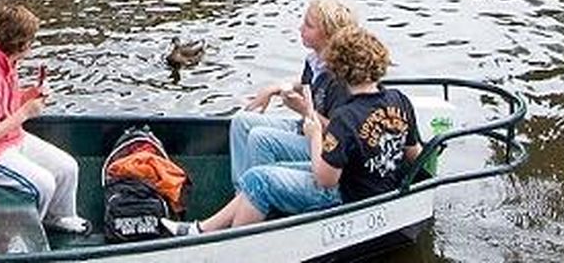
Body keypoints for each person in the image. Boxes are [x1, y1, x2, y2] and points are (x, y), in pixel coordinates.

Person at [162, 26, 421, 235]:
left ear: (339, 71)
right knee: (256, 176)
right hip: (373, 186)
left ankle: (230, 247)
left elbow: (325, 180)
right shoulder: (399, 100)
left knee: (258, 181)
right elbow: (414, 153)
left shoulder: (345, 117)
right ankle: (200, 231)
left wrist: (315, 134)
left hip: (349, 196)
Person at [0, 2, 89, 234]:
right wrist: (27, 112)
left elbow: (5, 104)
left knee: (68, 168)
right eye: (31, 42)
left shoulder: (6, 63)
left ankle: (59, 218)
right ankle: (27, 233)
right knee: (44, 184)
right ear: (21, 44)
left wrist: (29, 95)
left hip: (10, 138)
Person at [228, 0, 356, 187]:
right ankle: (241, 194)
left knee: (260, 138)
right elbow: (306, 84)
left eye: (309, 25)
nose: (300, 28)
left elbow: (340, 133)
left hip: (323, 146)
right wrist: (275, 88)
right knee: (241, 121)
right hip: (305, 128)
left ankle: (259, 200)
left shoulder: (340, 80)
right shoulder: (315, 63)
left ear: (328, 36)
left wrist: (303, 109)